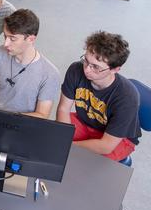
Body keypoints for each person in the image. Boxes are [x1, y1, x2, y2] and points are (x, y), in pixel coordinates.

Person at [56, 31, 142, 161]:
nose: (87, 69)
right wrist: (63, 139)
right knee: (54, 137)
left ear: (115, 69)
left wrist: (70, 146)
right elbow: (63, 109)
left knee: (87, 165)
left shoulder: (127, 97)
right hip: (86, 122)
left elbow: (106, 146)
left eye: (96, 67)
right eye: (86, 60)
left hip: (117, 138)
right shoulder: (75, 70)